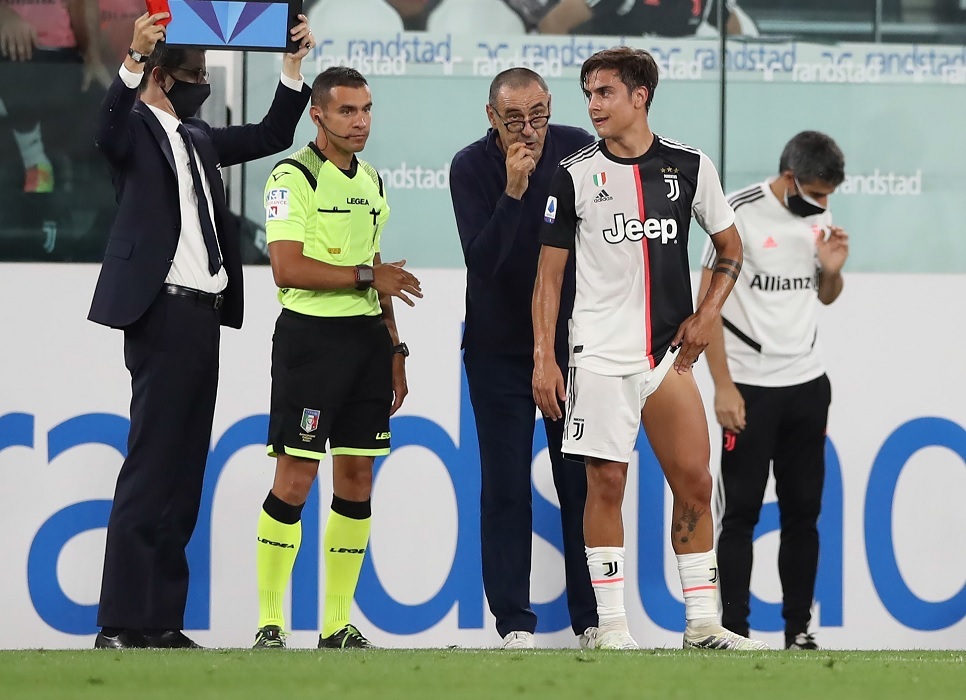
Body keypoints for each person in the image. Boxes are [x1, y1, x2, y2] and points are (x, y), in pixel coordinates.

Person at [89, 11, 314, 649]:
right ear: (162, 76)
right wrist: (132, 59)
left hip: (202, 316)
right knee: (151, 465)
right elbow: (104, 131)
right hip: (159, 312)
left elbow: (273, 132)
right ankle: (119, 622)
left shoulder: (199, 136)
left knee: (186, 471)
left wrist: (291, 65)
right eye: (194, 76)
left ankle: (161, 620)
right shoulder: (134, 128)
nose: (204, 85)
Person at [532, 46, 768, 651]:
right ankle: (611, 626)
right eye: (588, 93)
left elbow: (730, 246)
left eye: (604, 92)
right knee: (606, 484)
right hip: (598, 357)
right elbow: (549, 277)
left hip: (667, 358)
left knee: (694, 482)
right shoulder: (573, 174)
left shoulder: (690, 166)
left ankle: (703, 624)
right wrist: (544, 357)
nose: (593, 105)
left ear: (640, 97)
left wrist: (707, 314)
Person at [252, 66, 423, 650]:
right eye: (348, 111)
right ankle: (270, 622)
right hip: (310, 343)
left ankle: (335, 625)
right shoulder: (292, 176)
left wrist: (395, 347)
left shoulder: (372, 180)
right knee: (295, 477)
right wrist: (369, 276)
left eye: (367, 109)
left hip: (366, 344)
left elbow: (377, 269)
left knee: (356, 478)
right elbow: (287, 267)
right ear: (318, 114)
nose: (361, 122)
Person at [450, 67, 598, 650]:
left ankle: (592, 620)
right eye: (514, 120)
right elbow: (483, 263)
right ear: (492, 118)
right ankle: (513, 622)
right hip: (498, 349)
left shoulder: (579, 150)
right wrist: (513, 191)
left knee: (580, 483)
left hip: (571, 345)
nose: (529, 130)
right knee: (506, 486)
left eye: (538, 116)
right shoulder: (470, 167)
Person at [699, 131, 848, 651]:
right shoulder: (737, 212)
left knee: (803, 513)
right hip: (749, 388)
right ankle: (735, 630)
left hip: (808, 384)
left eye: (828, 196)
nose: (823, 204)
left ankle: (798, 630)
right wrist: (722, 386)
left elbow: (825, 296)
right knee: (740, 514)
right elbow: (707, 304)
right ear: (790, 179)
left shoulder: (818, 218)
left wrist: (832, 273)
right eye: (817, 193)